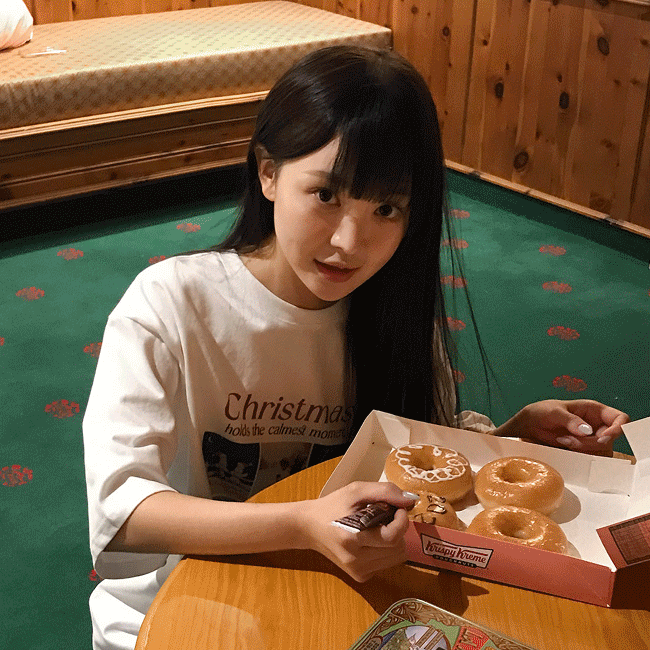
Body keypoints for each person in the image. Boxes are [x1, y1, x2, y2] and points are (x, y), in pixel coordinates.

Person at [83, 45, 629, 650]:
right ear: (268, 172)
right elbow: (124, 513)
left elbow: (413, 467)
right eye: (326, 195)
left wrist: (511, 439)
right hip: (183, 605)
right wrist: (301, 523)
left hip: (341, 594)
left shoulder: (394, 312)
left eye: (386, 209)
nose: (349, 242)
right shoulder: (172, 304)